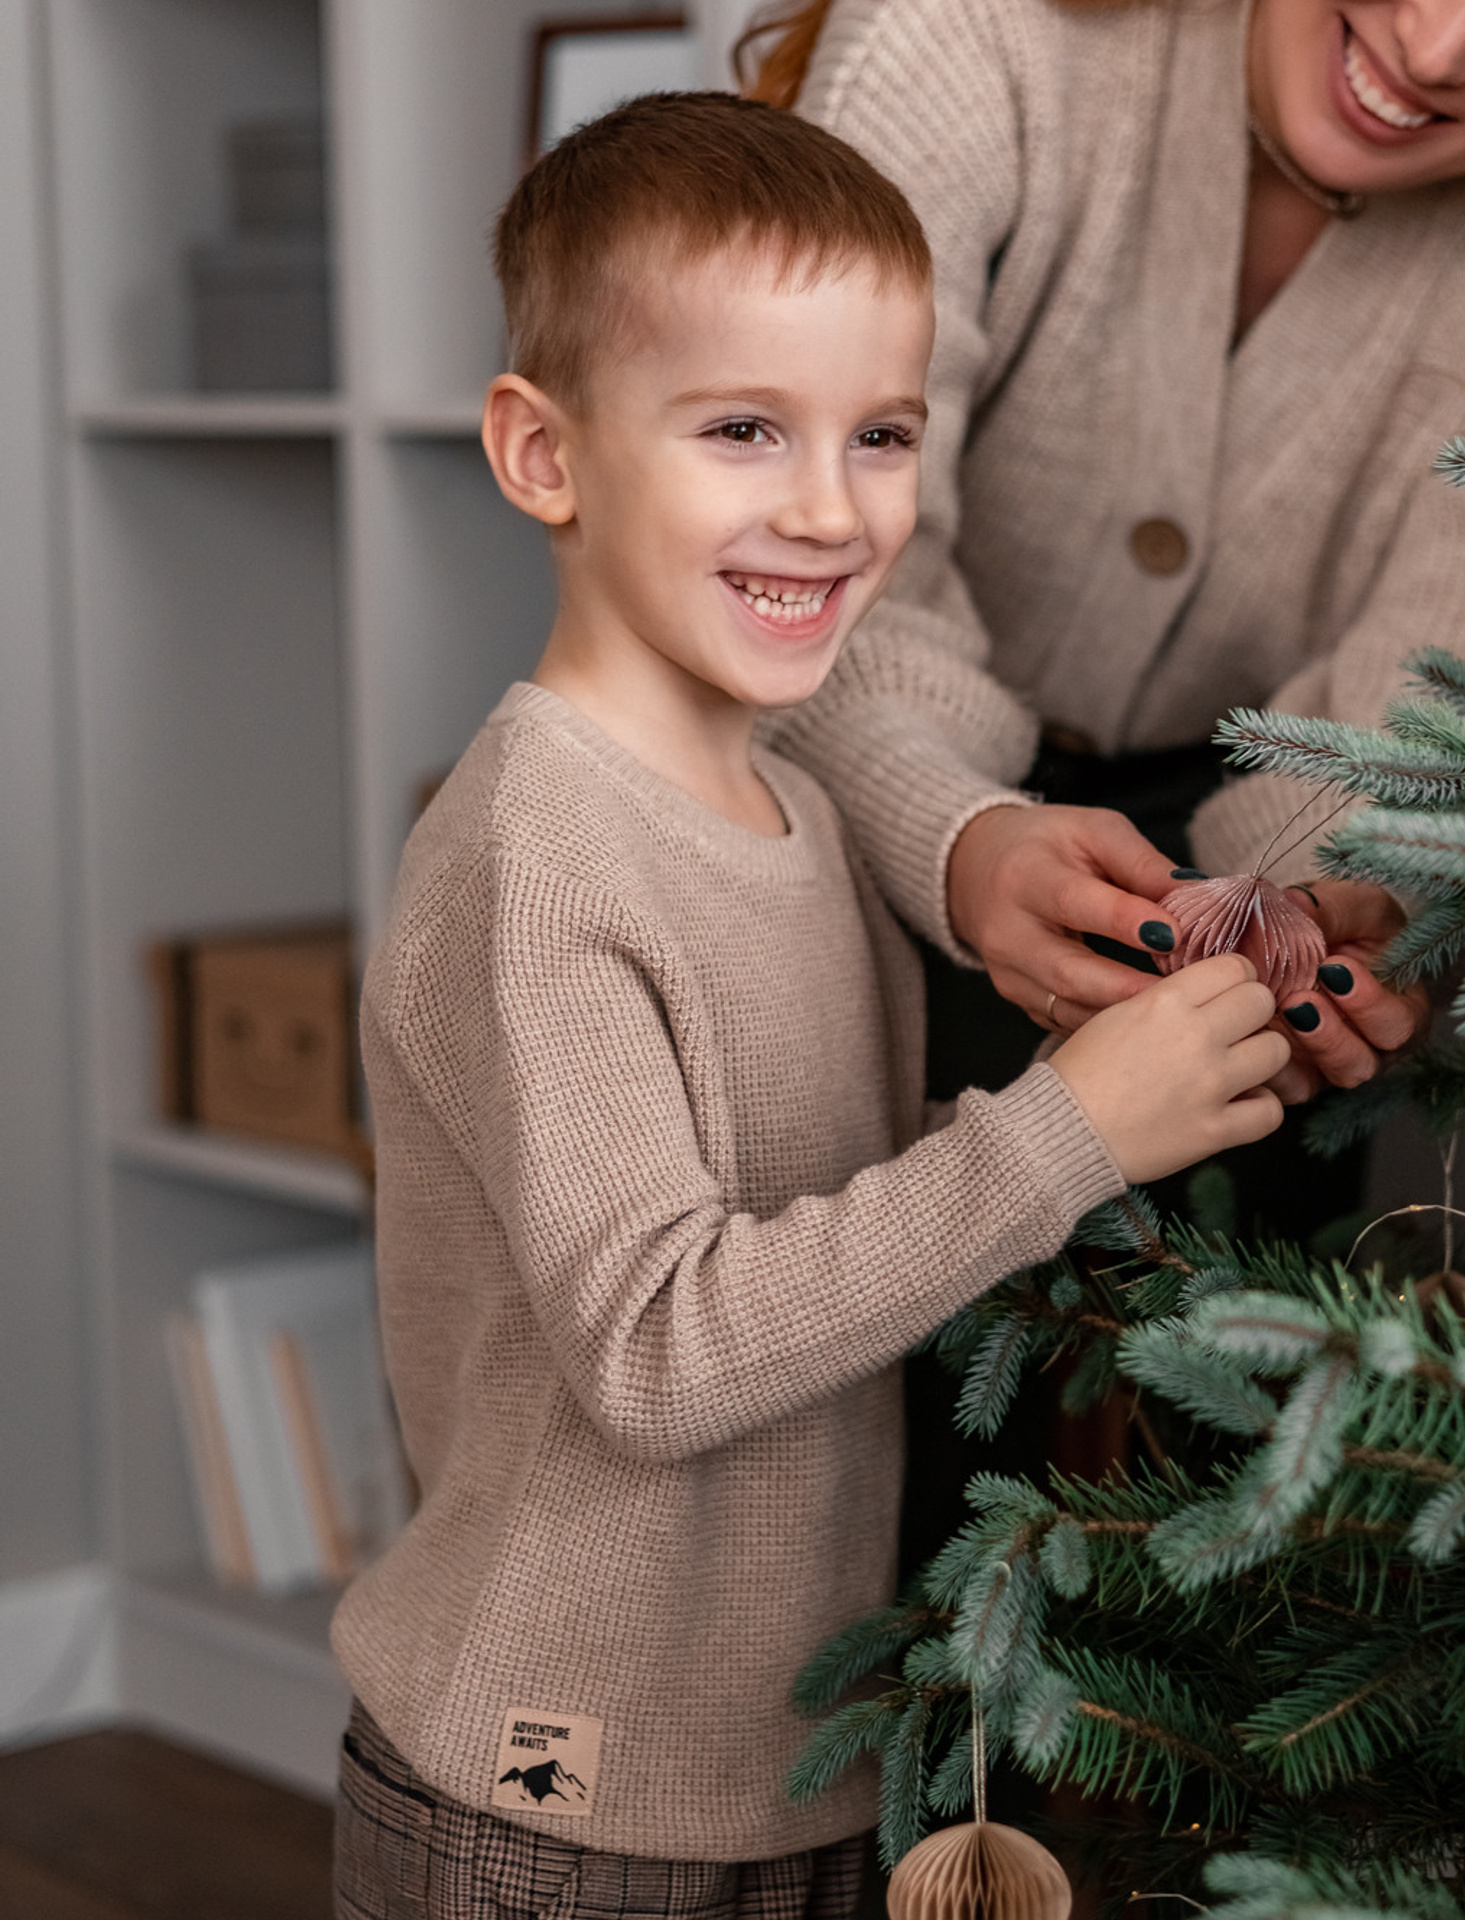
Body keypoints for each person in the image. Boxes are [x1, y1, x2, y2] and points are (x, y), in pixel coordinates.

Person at [329, 92, 1290, 1920]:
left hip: (800, 1770)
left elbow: (817, 1211)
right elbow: (665, 1346)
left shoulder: (810, 809)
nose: (830, 508)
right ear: (546, 456)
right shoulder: (537, 852)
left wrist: (1111, 1128)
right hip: (552, 1800)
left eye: (884, 434)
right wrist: (1061, 1132)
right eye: (744, 429)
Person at [743, 0, 1465, 1107]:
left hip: (1226, 958)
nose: (1435, 47)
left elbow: (1437, 713)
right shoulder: (964, 34)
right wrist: (953, 837)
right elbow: (777, 539)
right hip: (795, 816)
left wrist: (1327, 897)